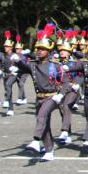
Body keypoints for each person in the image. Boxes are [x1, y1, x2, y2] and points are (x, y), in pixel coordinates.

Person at [13, 25, 65, 162]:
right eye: (38, 49)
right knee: (44, 123)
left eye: (43, 49)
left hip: (52, 97)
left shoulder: (55, 65)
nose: (39, 51)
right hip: (39, 98)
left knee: (42, 115)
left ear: (49, 51)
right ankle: (49, 150)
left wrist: (61, 94)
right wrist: (18, 61)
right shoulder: (34, 64)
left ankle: (36, 140)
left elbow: (65, 81)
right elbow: (24, 67)